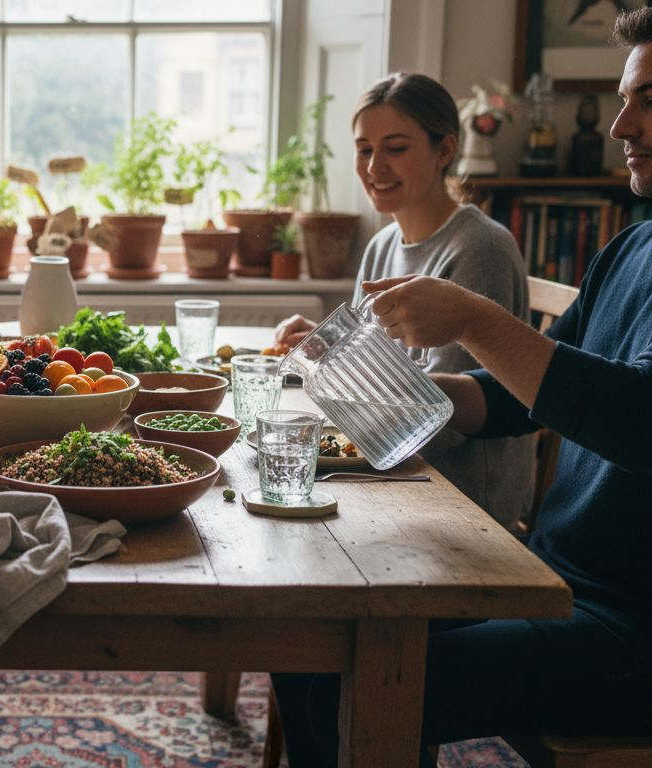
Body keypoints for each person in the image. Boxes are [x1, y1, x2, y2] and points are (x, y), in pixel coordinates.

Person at [272, 11, 652, 765]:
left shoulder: (485, 245)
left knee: (350, 683)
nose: (620, 125)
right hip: (553, 576)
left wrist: (476, 319)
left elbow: (637, 419)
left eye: (648, 101)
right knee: (307, 639)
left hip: (630, 625)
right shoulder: (632, 244)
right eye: (624, 98)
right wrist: (425, 394)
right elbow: (519, 396)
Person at [273, 72, 533, 531]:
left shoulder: (479, 248)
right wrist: (321, 347)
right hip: (392, 471)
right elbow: (365, 374)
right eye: (364, 149)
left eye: (395, 148)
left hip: (460, 502)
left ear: (445, 150)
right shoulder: (382, 244)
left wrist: (338, 386)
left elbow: (441, 426)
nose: (374, 167)